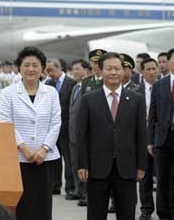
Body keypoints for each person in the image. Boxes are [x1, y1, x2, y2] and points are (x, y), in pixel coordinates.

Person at [77, 52, 147, 220]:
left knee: (127, 212)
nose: (114, 72)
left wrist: (141, 165)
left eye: (117, 68)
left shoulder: (136, 99)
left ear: (123, 71)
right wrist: (82, 164)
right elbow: (82, 135)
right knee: (96, 213)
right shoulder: (89, 99)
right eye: (109, 68)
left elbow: (141, 134)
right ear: (101, 71)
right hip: (97, 167)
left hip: (127, 166)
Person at [0, 46, 61, 220]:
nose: (31, 69)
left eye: (35, 65)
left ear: (42, 68)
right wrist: (23, 147)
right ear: (19, 68)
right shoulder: (8, 93)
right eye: (26, 65)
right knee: (21, 205)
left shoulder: (51, 93)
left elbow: (56, 123)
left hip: (44, 158)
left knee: (42, 205)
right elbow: (5, 123)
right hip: (18, 158)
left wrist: (44, 148)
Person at [148, 47, 174, 220]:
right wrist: (150, 141)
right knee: (162, 178)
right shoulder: (159, 85)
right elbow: (153, 115)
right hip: (163, 138)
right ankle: (163, 214)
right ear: (169, 62)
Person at [45, 59, 77, 197]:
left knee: (68, 160)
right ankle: (55, 185)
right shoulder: (48, 84)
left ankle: (70, 187)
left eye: (51, 70)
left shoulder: (71, 83)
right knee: (54, 159)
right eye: (47, 70)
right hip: (52, 128)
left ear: (59, 68)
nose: (49, 73)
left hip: (66, 127)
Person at [136, 57, 159, 220]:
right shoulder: (135, 92)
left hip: (161, 138)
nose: (152, 72)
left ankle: (168, 208)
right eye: (148, 69)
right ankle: (146, 210)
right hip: (141, 139)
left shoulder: (164, 87)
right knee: (144, 177)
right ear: (142, 72)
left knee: (166, 177)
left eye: (154, 69)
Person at [67, 59, 90, 207]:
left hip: (83, 132)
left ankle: (87, 194)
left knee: (84, 163)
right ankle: (78, 191)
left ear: (86, 70)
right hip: (72, 131)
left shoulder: (89, 87)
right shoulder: (75, 87)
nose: (74, 72)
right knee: (75, 163)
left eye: (77, 69)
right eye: (73, 69)